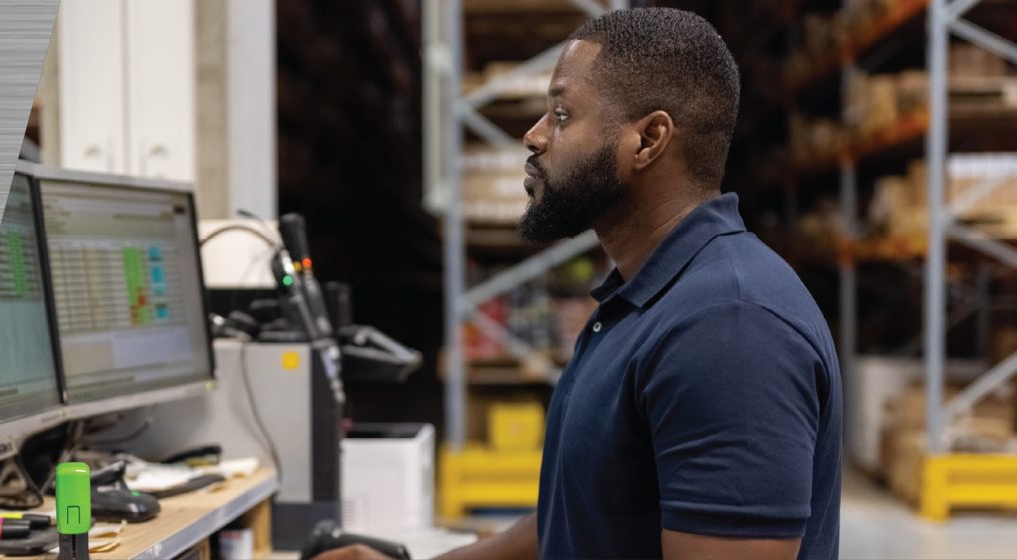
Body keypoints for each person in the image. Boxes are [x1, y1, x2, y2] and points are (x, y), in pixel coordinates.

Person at [317, 7, 842, 560]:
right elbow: (581, 516)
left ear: (648, 140)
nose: (534, 135)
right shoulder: (640, 302)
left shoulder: (729, 327)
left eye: (562, 115)